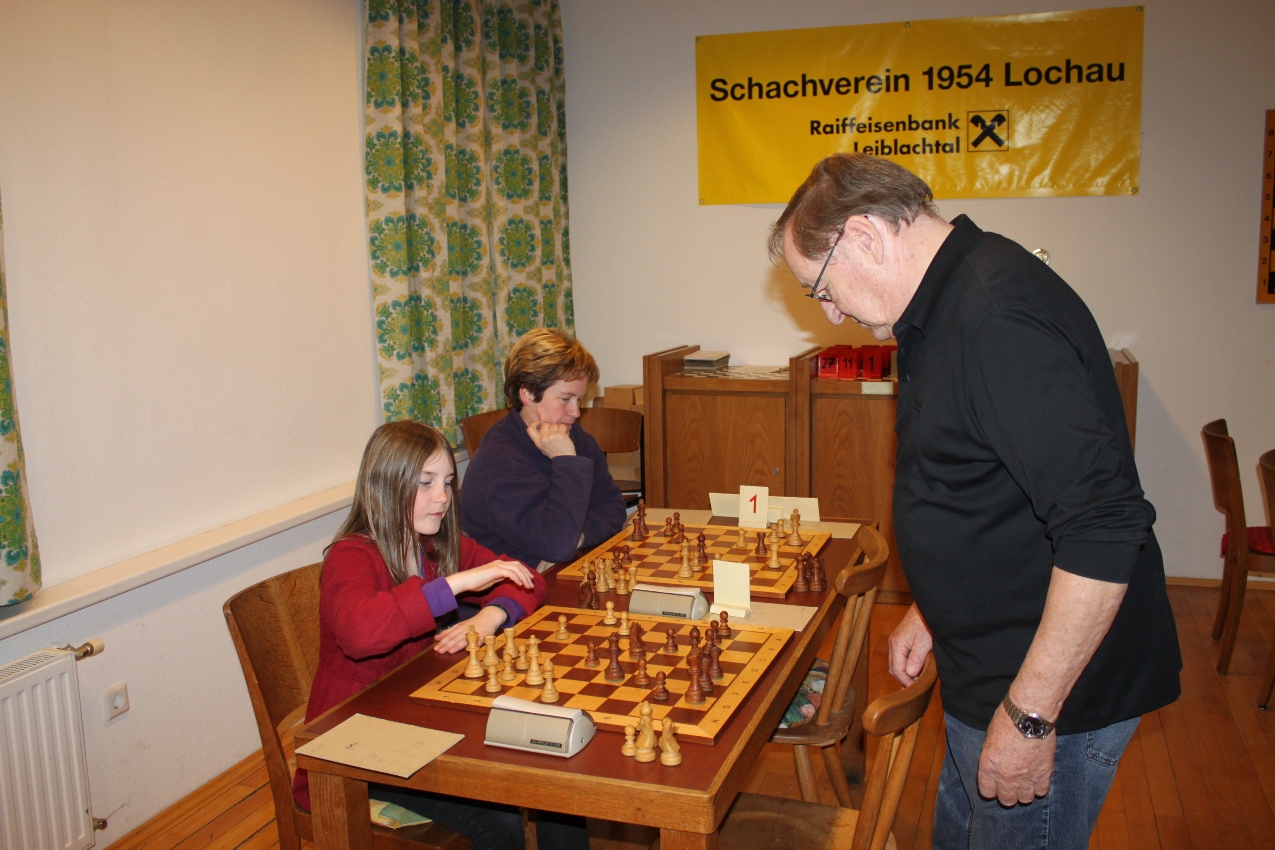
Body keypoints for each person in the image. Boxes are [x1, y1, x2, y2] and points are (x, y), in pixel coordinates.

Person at [771, 153, 1180, 849]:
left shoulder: (996, 314)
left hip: (1049, 696)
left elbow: (1104, 526)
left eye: (822, 288)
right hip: (988, 670)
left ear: (864, 236)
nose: (831, 311)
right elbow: (982, 484)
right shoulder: (944, 302)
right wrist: (933, 608)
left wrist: (1029, 719)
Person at [292, 420, 589, 850]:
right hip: (351, 747)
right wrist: (457, 583)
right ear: (386, 484)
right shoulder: (351, 555)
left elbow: (527, 579)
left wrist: (489, 617)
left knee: (551, 772)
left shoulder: (435, 546)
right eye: (426, 482)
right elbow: (361, 632)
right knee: (501, 823)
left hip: (420, 716)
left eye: (448, 482)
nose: (444, 496)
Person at [462, 328, 626, 572]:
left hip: (562, 569)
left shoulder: (573, 435)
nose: (576, 412)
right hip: (513, 591)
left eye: (579, 400)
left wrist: (577, 536)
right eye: (565, 399)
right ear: (528, 393)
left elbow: (613, 507)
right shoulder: (498, 463)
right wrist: (565, 460)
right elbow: (557, 545)